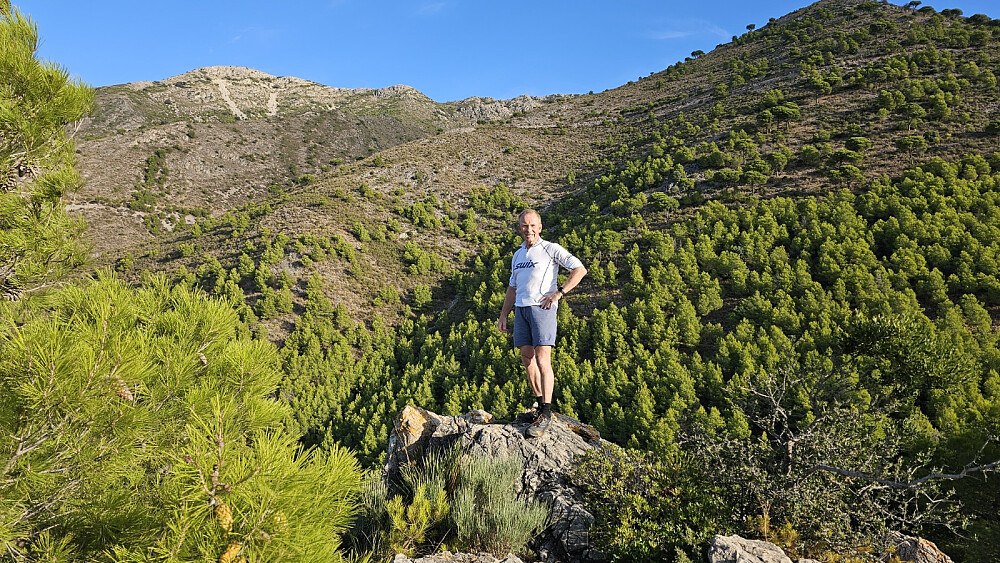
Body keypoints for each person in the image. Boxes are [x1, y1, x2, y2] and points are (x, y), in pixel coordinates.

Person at [497, 209, 587, 437]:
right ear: (519, 230)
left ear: (540, 227)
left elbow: (580, 269)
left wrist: (559, 292)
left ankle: (546, 411)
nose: (529, 230)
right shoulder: (517, 256)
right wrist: (503, 314)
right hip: (521, 309)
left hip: (542, 309)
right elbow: (512, 287)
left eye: (533, 225)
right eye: (524, 226)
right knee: (527, 358)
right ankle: (538, 405)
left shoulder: (550, 249)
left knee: (542, 358)